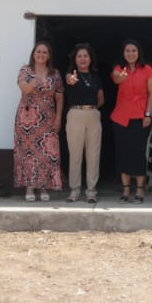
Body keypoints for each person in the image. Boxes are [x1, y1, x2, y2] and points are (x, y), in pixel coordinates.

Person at [13, 41, 63, 202]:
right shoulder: (25, 71)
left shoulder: (55, 73)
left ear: (49, 56)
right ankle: (29, 187)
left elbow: (60, 96)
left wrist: (59, 117)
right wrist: (32, 83)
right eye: (38, 52)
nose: (41, 55)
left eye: (45, 52)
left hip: (48, 118)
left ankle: (44, 187)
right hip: (27, 118)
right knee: (28, 154)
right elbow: (24, 89)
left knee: (47, 153)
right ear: (34, 54)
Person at [109, 39, 152, 203]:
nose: (130, 54)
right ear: (123, 53)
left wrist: (148, 114)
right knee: (123, 153)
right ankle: (126, 189)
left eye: (133, 51)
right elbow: (116, 79)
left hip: (140, 116)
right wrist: (123, 75)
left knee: (137, 153)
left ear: (138, 53)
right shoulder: (118, 69)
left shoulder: (147, 70)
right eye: (127, 51)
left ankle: (140, 189)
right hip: (120, 117)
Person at [63, 43, 105, 204]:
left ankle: (91, 191)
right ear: (75, 59)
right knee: (75, 154)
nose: (82, 58)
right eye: (79, 56)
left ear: (90, 58)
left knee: (93, 154)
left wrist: (91, 108)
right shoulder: (70, 75)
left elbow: (101, 100)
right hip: (75, 113)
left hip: (93, 114)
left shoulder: (96, 77)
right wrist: (71, 80)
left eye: (85, 56)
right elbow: (69, 81)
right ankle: (74, 190)